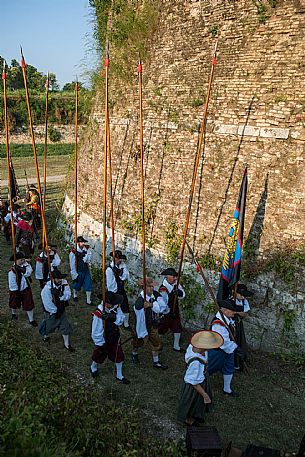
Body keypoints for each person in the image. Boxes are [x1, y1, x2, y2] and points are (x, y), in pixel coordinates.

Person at [177, 330, 223, 425]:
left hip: (200, 377)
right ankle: (188, 419)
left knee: (197, 402)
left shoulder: (194, 347)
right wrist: (205, 395)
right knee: (191, 401)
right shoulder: (196, 363)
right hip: (194, 386)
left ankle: (197, 414)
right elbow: (194, 383)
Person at [90, 291, 130, 384]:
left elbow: (120, 320)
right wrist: (100, 343)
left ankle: (119, 375)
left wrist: (112, 317)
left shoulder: (115, 308)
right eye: (112, 303)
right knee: (99, 355)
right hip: (104, 339)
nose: (115, 305)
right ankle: (93, 367)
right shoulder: (98, 313)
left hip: (115, 336)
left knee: (118, 355)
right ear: (106, 303)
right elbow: (96, 331)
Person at [208, 299, 245, 397]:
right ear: (224, 310)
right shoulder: (218, 324)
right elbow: (222, 342)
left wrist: (234, 348)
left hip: (229, 350)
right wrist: (236, 348)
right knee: (209, 369)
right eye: (232, 310)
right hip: (217, 351)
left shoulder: (228, 319)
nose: (234, 312)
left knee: (229, 367)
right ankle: (197, 383)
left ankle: (227, 389)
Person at [132, 277, 169, 369]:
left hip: (153, 324)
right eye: (149, 286)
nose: (152, 288)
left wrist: (152, 304)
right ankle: (134, 354)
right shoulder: (140, 300)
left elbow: (162, 307)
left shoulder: (156, 295)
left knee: (155, 342)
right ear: (144, 287)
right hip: (142, 325)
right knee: (139, 341)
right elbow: (137, 309)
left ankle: (156, 362)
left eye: (152, 286)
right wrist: (144, 306)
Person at [39, 269, 75, 352]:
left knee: (65, 326)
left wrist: (59, 294)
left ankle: (67, 344)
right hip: (51, 311)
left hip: (61, 309)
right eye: (57, 278)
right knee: (48, 326)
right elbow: (47, 303)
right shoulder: (47, 289)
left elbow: (68, 295)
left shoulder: (64, 283)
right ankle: (45, 335)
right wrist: (55, 311)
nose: (60, 280)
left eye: (60, 278)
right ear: (53, 279)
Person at [158, 267, 185, 352]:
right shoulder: (163, 289)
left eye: (175, 277)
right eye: (173, 277)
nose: (175, 278)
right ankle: (157, 343)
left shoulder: (176, 284)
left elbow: (183, 294)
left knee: (177, 327)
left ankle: (176, 346)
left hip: (175, 311)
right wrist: (167, 311)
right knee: (162, 329)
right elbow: (162, 304)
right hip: (166, 313)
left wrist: (179, 293)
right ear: (167, 277)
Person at [8, 251, 37, 326]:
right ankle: (13, 314)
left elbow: (29, 273)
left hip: (25, 288)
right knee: (14, 302)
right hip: (16, 290)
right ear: (16, 260)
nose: (23, 261)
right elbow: (12, 283)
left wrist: (21, 269)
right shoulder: (12, 271)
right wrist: (15, 291)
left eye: (23, 259)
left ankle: (31, 320)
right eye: (21, 260)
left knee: (28, 303)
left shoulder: (26, 265)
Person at [106, 250, 130, 329]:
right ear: (114, 259)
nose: (120, 260)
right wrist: (114, 294)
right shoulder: (109, 270)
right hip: (114, 291)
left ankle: (126, 323)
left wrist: (119, 272)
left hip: (121, 289)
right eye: (118, 259)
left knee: (125, 305)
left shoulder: (122, 265)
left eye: (120, 259)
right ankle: (115, 320)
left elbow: (126, 276)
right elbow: (110, 284)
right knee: (115, 306)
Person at [234, 283, 253, 370]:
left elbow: (245, 314)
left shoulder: (244, 301)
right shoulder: (231, 299)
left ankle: (237, 363)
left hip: (238, 324)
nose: (243, 297)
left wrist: (236, 312)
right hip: (229, 324)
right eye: (241, 295)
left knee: (238, 343)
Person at [69, 236, 92, 305]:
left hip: (86, 270)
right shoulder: (73, 253)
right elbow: (72, 264)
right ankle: (75, 295)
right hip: (78, 270)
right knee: (77, 284)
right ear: (78, 243)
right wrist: (74, 273)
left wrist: (87, 255)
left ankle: (88, 300)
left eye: (83, 242)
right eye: (81, 242)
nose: (83, 243)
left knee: (88, 283)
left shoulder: (86, 250)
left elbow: (88, 259)